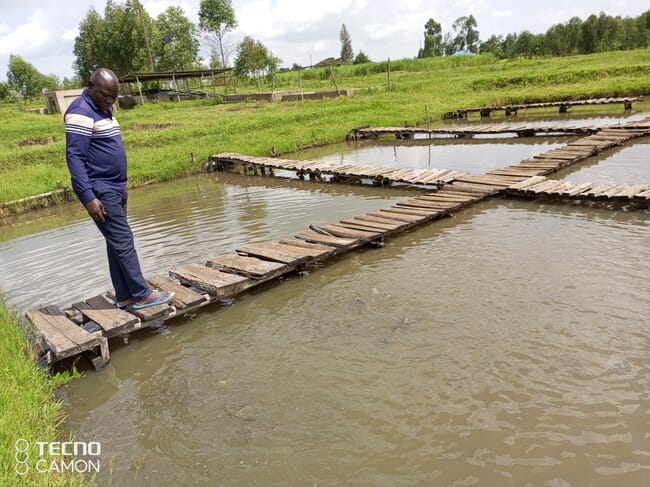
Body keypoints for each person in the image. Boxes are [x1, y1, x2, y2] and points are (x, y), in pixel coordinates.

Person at [65, 68, 174, 310]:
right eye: (105, 95)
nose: (110, 101)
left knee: (115, 242)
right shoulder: (80, 112)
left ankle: (124, 295)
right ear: (90, 85)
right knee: (124, 240)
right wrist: (88, 197)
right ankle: (141, 293)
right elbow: (74, 158)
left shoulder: (102, 108)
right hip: (100, 189)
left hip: (114, 188)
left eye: (113, 97)